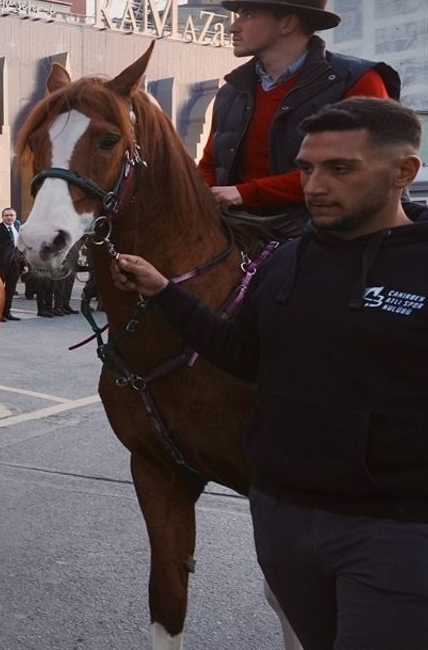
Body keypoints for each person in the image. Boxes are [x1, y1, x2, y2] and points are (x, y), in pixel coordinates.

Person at [111, 98, 427, 650]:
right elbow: (238, 354)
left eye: (340, 168)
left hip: (393, 530)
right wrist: (165, 292)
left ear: (404, 172)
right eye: (307, 168)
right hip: (286, 522)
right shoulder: (285, 262)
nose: (314, 186)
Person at [198, 0, 399, 231]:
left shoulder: (357, 81)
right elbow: (210, 165)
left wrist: (245, 193)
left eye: (248, 15)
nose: (233, 27)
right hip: (238, 229)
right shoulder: (231, 91)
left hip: (330, 234)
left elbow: (363, 170)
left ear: (286, 23)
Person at [0, 208, 25, 321]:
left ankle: (7, 311)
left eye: (11, 215)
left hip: (15, 264)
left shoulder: (16, 229)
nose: (9, 217)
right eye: (6, 215)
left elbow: (20, 248)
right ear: (2, 217)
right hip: (2, 264)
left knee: (11, 289)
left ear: (15, 217)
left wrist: (23, 264)